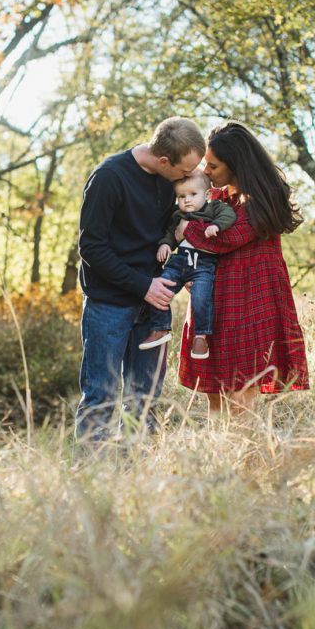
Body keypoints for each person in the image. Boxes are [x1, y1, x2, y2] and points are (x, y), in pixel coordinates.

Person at [75, 117, 206, 442]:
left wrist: (189, 267)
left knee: (145, 399)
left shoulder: (170, 181)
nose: (188, 177)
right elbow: (91, 247)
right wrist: (143, 285)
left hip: (154, 309)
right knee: (101, 397)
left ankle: (138, 481)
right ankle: (92, 481)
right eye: (183, 171)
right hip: (109, 305)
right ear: (163, 161)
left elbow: (173, 230)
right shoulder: (109, 177)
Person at [176, 121, 309, 413]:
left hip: (248, 302)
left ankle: (244, 456)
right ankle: (218, 456)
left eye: (213, 166)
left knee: (239, 393)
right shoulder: (220, 197)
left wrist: (183, 228)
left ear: (236, 165)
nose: (206, 172)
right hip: (215, 300)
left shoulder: (260, 201)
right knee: (212, 389)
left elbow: (222, 241)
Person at [138, 169, 237, 360]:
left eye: (193, 194)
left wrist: (216, 226)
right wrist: (166, 244)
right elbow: (170, 233)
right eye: (181, 196)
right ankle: (160, 328)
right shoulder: (178, 215)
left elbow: (229, 216)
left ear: (207, 194)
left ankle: (200, 337)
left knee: (201, 297)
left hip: (203, 264)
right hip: (179, 261)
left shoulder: (214, 208)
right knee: (160, 288)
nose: (187, 200)